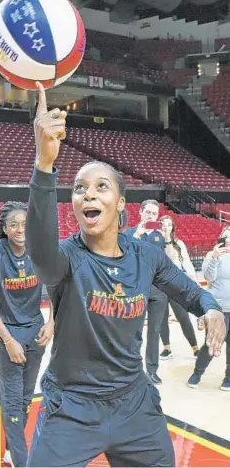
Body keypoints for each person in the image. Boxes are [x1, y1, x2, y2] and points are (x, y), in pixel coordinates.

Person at [24, 83, 226, 468]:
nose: (88, 194)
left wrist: (211, 308)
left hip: (133, 405)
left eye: (102, 187)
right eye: (80, 188)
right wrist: (44, 164)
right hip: (72, 408)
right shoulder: (67, 259)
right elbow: (40, 252)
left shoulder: (146, 256)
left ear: (120, 203)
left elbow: (190, 291)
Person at [0, 201, 54, 467]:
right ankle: (23, 462)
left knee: (23, 399)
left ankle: (11, 450)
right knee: (12, 404)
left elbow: (56, 285)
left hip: (34, 332)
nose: (20, 229)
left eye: (24, 224)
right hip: (5, 336)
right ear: (5, 229)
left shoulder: (39, 250)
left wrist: (52, 322)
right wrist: (9, 340)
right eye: (14, 225)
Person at [124, 200, 167, 384]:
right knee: (134, 330)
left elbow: (167, 263)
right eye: (148, 212)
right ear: (140, 212)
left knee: (154, 331)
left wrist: (168, 237)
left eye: (154, 214)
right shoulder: (129, 234)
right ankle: (132, 370)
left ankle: (152, 370)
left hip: (158, 290)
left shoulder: (160, 237)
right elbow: (124, 258)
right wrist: (137, 235)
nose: (150, 216)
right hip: (137, 289)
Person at [188, 226, 230, 391]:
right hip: (217, 309)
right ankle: (197, 373)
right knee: (211, 344)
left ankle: (228, 378)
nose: (228, 240)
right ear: (220, 239)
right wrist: (214, 258)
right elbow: (208, 277)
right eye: (225, 237)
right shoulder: (211, 256)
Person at [159, 215, 200, 359]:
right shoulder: (154, 242)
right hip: (158, 285)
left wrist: (194, 279)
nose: (166, 227)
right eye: (163, 224)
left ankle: (195, 348)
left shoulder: (178, 243)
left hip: (175, 284)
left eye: (169, 225)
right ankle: (167, 348)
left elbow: (185, 262)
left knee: (183, 316)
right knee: (162, 318)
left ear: (173, 228)